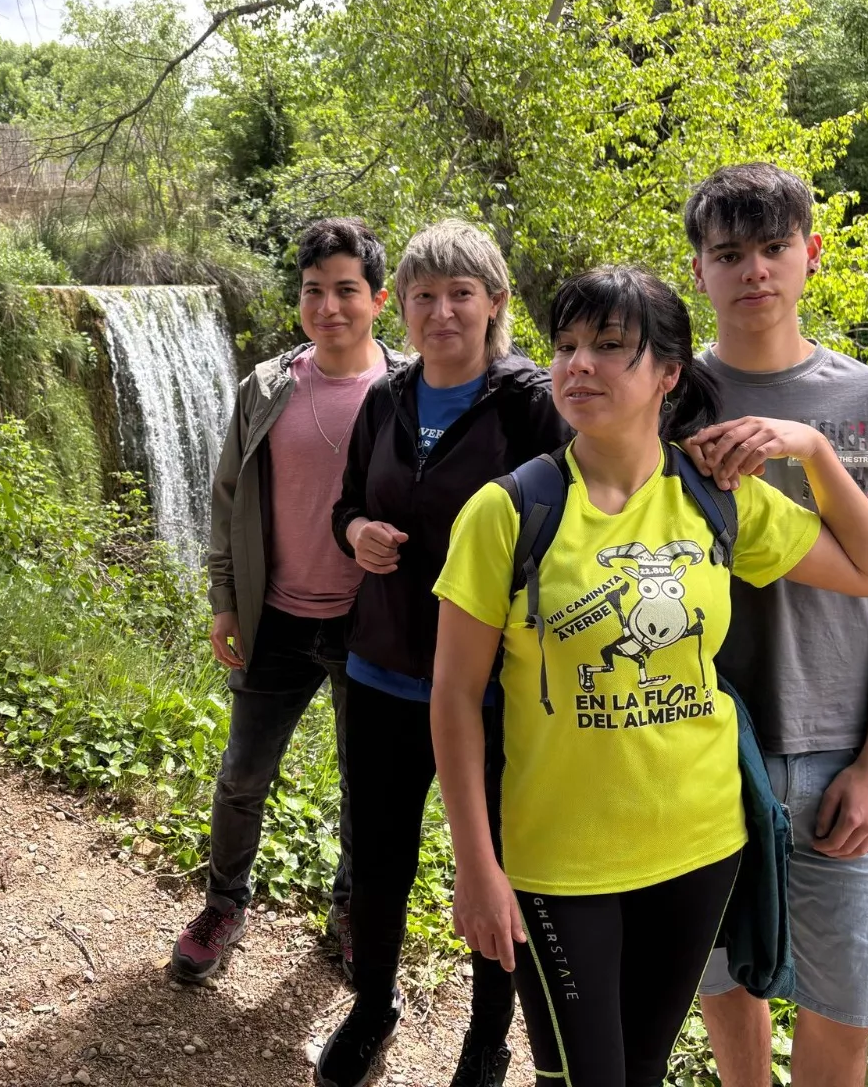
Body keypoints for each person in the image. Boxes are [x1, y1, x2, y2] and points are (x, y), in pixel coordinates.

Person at [429, 266, 868, 1087]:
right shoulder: (510, 512)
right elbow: (455, 698)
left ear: (669, 374)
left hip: (700, 844)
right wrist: (476, 864)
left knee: (641, 1070)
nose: (579, 365)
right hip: (556, 858)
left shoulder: (716, 500)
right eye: (567, 346)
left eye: (610, 347)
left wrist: (813, 449)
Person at [683, 164, 868, 1087]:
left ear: (811, 255)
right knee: (727, 974)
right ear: (700, 271)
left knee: (842, 998)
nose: (753, 269)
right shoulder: (671, 400)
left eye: (773, 247)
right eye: (728, 253)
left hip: (838, 742)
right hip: (701, 734)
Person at [316, 220, 570, 1087]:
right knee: (380, 851)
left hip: (498, 689)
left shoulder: (533, 405)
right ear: (406, 308)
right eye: (424, 294)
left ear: (496, 304)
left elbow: (589, 513)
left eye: (462, 293)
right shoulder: (385, 397)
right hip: (381, 667)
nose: (441, 311)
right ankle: (373, 1003)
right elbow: (346, 500)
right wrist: (357, 533)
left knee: (497, 866)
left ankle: (486, 1037)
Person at [171, 218, 403, 985]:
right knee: (243, 773)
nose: (328, 306)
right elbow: (227, 493)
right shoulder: (268, 386)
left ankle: (348, 914)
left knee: (363, 784)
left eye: (346, 290)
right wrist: (225, 599)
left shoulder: (405, 393)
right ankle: (223, 903)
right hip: (275, 618)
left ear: (378, 298)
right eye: (314, 291)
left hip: (366, 627)